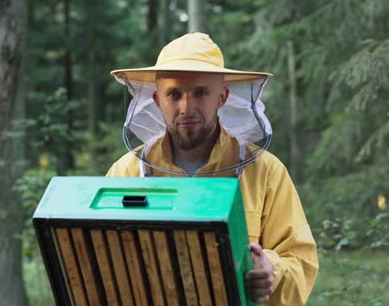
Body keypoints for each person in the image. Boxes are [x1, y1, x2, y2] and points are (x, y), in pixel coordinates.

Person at [106, 32, 319, 305]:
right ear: (158, 101)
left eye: (200, 93)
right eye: (174, 94)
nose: (186, 107)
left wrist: (272, 271)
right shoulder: (127, 172)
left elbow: (301, 261)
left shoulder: (265, 172)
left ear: (222, 97)